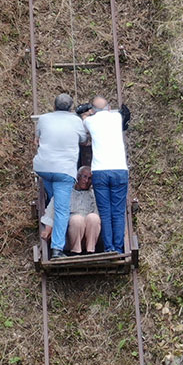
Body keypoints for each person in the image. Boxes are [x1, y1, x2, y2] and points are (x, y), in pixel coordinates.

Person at [32, 93, 87, 258]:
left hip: (43, 168)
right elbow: (83, 139)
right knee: (62, 209)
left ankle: (49, 219)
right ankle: (57, 249)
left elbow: (38, 138)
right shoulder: (76, 121)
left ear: (54, 106)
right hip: (63, 171)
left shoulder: (43, 119)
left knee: (54, 199)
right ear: (70, 109)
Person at [83, 96, 130, 254]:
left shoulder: (90, 121)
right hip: (119, 169)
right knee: (118, 211)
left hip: (100, 172)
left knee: (105, 212)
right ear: (109, 108)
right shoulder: (116, 117)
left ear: (93, 110)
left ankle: (108, 247)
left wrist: (87, 114)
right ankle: (118, 247)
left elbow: (83, 118)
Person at [39, 166, 100, 254]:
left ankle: (90, 250)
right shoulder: (66, 192)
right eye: (84, 177)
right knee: (77, 219)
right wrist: (48, 228)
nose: (86, 181)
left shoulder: (94, 195)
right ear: (78, 177)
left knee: (94, 217)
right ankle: (76, 251)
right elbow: (52, 210)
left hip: (88, 234)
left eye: (90, 178)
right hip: (71, 234)